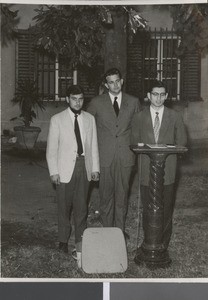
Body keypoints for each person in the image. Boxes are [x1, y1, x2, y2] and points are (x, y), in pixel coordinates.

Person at [46, 85, 100, 266]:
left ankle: (80, 243)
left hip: (83, 167)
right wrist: (54, 171)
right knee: (64, 207)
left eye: (81, 99)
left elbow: (93, 146)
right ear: (67, 99)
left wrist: (95, 168)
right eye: (74, 99)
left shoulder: (90, 119)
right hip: (64, 170)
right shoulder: (57, 120)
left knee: (81, 207)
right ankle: (62, 241)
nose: (78, 102)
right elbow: (51, 149)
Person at [131, 80, 187, 249]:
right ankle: (149, 241)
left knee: (166, 207)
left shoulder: (174, 116)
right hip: (147, 169)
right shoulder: (139, 117)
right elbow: (134, 143)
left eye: (162, 94)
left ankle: (163, 243)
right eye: (155, 94)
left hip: (167, 169)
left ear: (167, 96)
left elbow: (182, 142)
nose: (158, 98)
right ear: (148, 96)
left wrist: (168, 149)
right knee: (148, 208)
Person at [87, 67, 140, 236]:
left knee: (122, 196)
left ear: (122, 81)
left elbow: (138, 128)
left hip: (126, 156)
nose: (115, 85)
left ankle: (119, 231)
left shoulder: (133, 102)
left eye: (117, 81)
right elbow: (87, 127)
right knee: (106, 196)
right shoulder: (96, 102)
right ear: (106, 85)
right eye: (111, 82)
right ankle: (108, 232)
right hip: (104, 157)